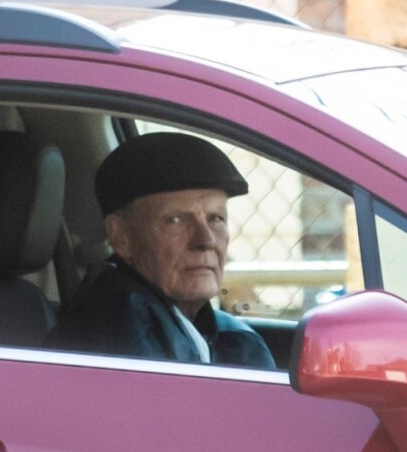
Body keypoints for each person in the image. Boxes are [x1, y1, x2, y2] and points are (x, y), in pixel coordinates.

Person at [47, 132, 275, 369]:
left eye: (215, 218)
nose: (206, 240)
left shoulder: (211, 330)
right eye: (175, 220)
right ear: (121, 237)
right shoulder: (117, 341)